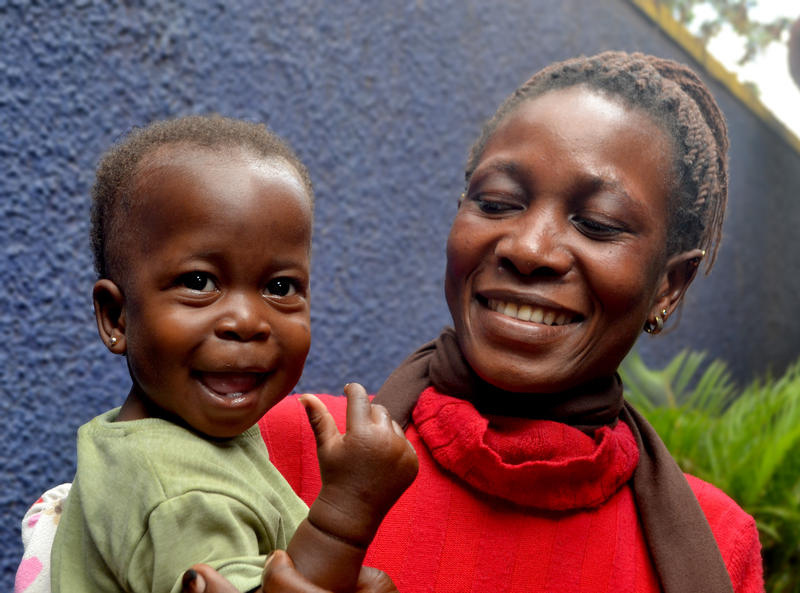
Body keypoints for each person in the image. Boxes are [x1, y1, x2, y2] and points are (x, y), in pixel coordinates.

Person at [18, 51, 763, 593]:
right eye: (497, 202)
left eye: (597, 224)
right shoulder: (278, 443)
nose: (529, 248)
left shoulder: (713, 549)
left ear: (670, 285)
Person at [46, 115, 418, 593]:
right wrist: (347, 511)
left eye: (280, 287)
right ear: (117, 318)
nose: (246, 321)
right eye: (199, 282)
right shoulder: (177, 491)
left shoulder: (169, 444)